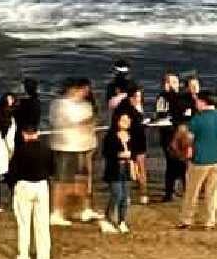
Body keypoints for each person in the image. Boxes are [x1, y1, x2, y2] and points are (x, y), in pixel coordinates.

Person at [177, 91, 217, 230]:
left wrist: (185, 149)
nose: (196, 103)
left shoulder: (198, 119)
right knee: (213, 191)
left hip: (200, 159)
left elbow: (189, 137)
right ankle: (210, 220)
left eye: (197, 101)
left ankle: (187, 219)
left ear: (203, 102)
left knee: (193, 191)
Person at [49, 80, 102, 226]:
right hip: (65, 147)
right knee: (62, 181)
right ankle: (57, 211)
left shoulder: (85, 105)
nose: (86, 92)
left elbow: (90, 124)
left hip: (83, 147)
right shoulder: (60, 104)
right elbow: (66, 122)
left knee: (82, 180)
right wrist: (87, 122)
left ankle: (82, 208)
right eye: (84, 89)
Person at [7, 125, 53, 259]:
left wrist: (13, 186)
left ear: (24, 134)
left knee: (24, 223)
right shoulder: (46, 149)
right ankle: (43, 255)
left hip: (24, 186)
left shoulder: (20, 150)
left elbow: (12, 172)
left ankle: (24, 254)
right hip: (41, 186)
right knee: (43, 223)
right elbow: (52, 169)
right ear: (37, 133)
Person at [99, 110, 135, 234]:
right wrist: (119, 154)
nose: (126, 123)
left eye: (128, 120)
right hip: (114, 170)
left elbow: (134, 152)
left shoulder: (130, 136)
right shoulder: (111, 136)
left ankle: (122, 221)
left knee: (125, 197)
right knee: (117, 195)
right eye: (123, 120)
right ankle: (107, 219)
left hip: (126, 169)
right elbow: (106, 153)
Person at [155, 72, 189, 201]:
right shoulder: (163, 98)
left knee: (181, 163)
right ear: (166, 84)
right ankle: (170, 192)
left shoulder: (181, 97)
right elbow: (161, 116)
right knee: (172, 164)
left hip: (180, 135)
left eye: (176, 82)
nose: (176, 85)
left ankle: (182, 190)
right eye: (172, 82)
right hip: (168, 136)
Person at [113, 84, 149, 204]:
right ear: (131, 97)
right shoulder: (126, 108)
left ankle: (141, 193)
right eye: (137, 96)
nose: (139, 99)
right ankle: (135, 194)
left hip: (137, 140)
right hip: (130, 141)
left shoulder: (134, 107)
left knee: (138, 167)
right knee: (131, 169)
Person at [0, 94, 17, 213]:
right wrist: (12, 152)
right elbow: (10, 141)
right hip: (6, 153)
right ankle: (15, 201)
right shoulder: (11, 121)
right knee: (11, 179)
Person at [13, 78, 42, 151]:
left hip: (23, 132)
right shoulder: (37, 102)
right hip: (32, 131)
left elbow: (16, 116)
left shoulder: (23, 103)